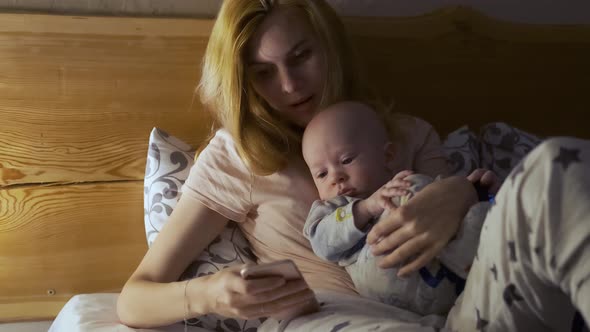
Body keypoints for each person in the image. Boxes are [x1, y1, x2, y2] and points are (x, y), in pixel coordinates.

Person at [116, 1, 589, 331]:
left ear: (329, 46)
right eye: (262, 73)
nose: (289, 86)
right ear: (242, 82)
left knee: (557, 167)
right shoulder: (237, 156)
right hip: (331, 319)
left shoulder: (404, 134)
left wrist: (462, 192)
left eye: (302, 56)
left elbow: (468, 236)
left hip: (462, 313)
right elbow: (134, 298)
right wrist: (207, 294)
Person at [301, 101, 497, 316]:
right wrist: (366, 207)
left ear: (388, 156)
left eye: (347, 160)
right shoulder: (332, 208)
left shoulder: (405, 184)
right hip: (389, 288)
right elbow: (322, 243)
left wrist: (474, 189)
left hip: (455, 285)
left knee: (474, 210)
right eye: (321, 174)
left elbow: (446, 203)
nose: (335, 177)